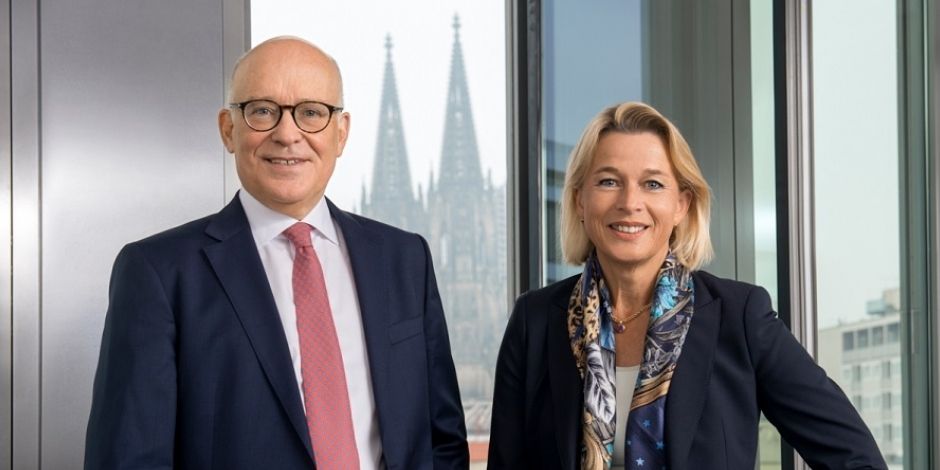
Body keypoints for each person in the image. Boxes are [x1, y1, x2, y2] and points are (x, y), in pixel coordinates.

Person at [85, 37, 469, 469]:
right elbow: (129, 458)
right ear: (228, 129)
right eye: (263, 111)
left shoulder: (405, 259)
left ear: (341, 133)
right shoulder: (159, 273)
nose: (287, 135)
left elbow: (443, 442)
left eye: (312, 113)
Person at [487, 102, 886, 470]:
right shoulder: (534, 321)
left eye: (653, 184)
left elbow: (856, 459)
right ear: (579, 201)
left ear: (682, 205)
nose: (630, 202)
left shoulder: (740, 316)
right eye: (608, 181)